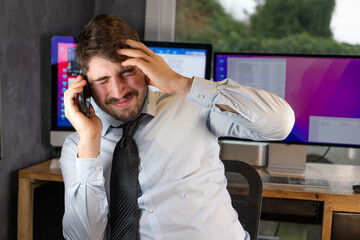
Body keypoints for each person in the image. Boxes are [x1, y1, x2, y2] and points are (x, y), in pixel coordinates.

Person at [60, 14, 295, 240]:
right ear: (85, 87)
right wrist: (90, 142)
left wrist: (181, 83)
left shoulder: (192, 105)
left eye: (127, 72)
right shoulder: (79, 148)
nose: (119, 91)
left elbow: (280, 124)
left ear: (145, 66)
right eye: (102, 81)